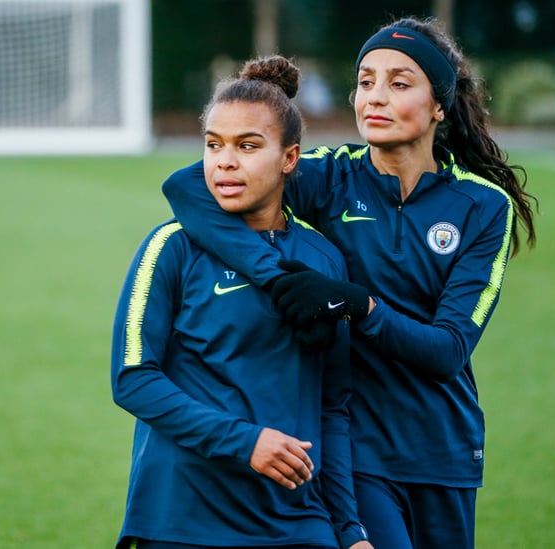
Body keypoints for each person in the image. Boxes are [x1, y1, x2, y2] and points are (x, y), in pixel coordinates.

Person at [161, 17, 538, 549]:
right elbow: (188, 186)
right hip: (355, 452)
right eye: (365, 82)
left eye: (399, 83)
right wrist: (276, 278)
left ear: (439, 106)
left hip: (444, 452)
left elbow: (448, 351)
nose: (375, 98)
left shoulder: (482, 206)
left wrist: (358, 306)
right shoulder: (328, 176)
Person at [111, 55, 373, 549]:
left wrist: (349, 528)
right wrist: (245, 441)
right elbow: (133, 380)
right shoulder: (171, 247)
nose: (225, 161)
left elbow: (332, 406)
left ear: (289, 159)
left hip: (296, 519)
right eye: (214, 145)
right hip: (182, 518)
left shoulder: (323, 259)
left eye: (248, 146)